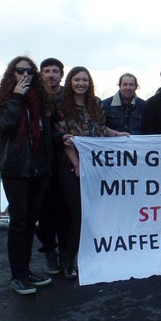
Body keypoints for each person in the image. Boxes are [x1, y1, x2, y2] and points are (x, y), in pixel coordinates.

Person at [0, 56, 55, 295]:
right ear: (12, 73)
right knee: (18, 223)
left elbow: (47, 134)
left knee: (30, 222)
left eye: (30, 71)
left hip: (38, 171)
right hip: (15, 171)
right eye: (20, 70)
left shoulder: (41, 102)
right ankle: (17, 275)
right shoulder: (1, 101)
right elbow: (2, 126)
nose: (25, 74)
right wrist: (17, 96)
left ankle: (26, 271)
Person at [56, 66, 129, 280]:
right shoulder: (61, 105)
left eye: (85, 80)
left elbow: (100, 129)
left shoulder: (95, 103)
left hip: (95, 168)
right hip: (71, 168)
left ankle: (87, 255)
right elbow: (65, 138)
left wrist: (116, 135)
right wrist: (77, 164)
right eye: (77, 79)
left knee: (93, 215)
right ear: (70, 82)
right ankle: (68, 259)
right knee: (78, 214)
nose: (81, 83)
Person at [36, 57, 67, 274]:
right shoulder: (35, 97)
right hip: (41, 163)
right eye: (46, 71)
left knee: (66, 212)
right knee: (44, 213)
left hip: (65, 162)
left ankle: (66, 254)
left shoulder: (68, 97)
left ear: (61, 74)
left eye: (54, 71)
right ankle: (50, 254)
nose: (50, 75)